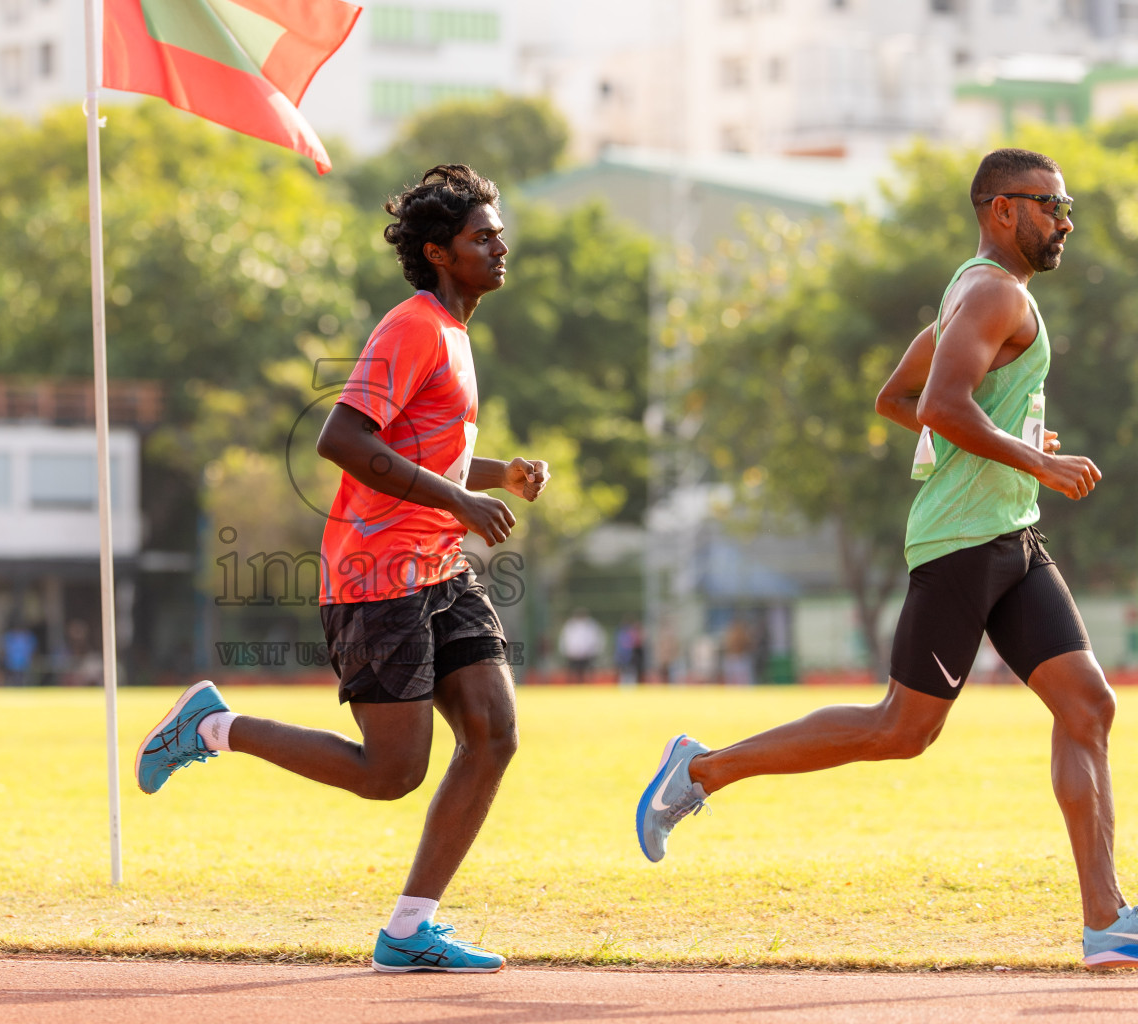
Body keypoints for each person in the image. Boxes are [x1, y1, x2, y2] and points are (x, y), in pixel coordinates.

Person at [636, 149, 1135, 970]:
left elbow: (896, 400)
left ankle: (1105, 919)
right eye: (1050, 204)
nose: (1065, 220)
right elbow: (936, 405)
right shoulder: (992, 291)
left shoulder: (976, 290)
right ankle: (700, 770)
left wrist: (1013, 452)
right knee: (900, 730)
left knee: (1088, 706)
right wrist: (1036, 460)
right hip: (962, 544)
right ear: (1001, 210)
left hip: (1011, 536)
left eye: (1065, 203)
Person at [136, 165, 549, 973]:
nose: (501, 246)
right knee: (391, 773)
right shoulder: (414, 327)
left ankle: (408, 930)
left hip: (437, 568)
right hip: (377, 577)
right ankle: (215, 727)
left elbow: (422, 453)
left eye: (499, 232)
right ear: (439, 252)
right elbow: (344, 442)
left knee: (494, 736)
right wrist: (461, 504)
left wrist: (496, 476)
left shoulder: (455, 334)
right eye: (482, 237)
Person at [559, 609, 604, 682]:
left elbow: (597, 639)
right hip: (573, 655)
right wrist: (566, 651)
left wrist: (595, 651)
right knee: (573, 675)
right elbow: (565, 639)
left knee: (587, 675)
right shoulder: (570, 625)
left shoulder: (592, 625)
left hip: (587, 655)